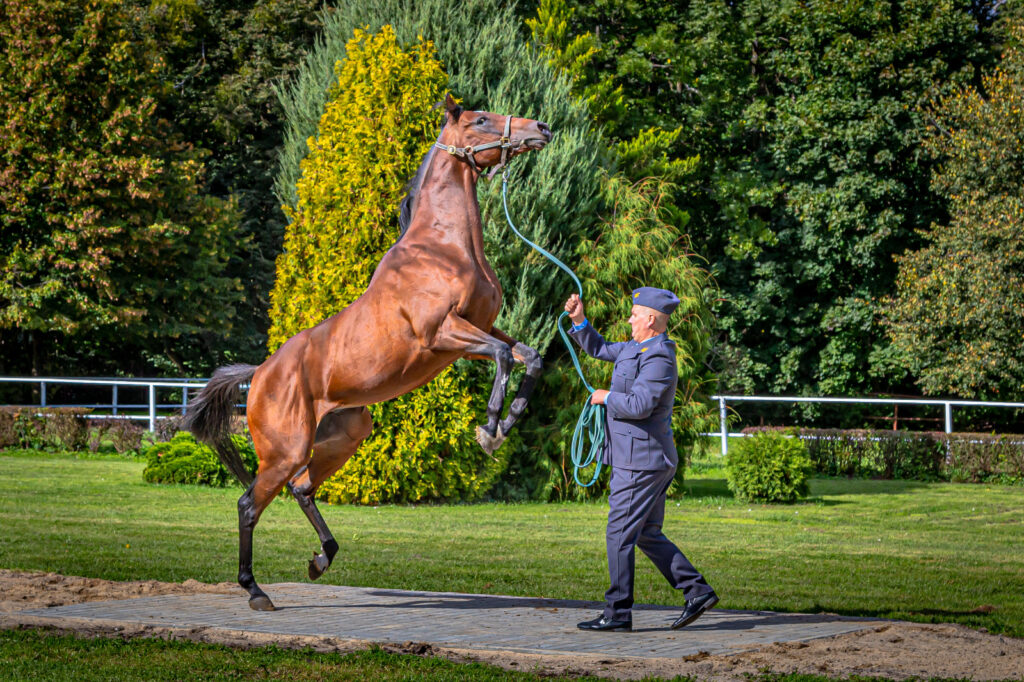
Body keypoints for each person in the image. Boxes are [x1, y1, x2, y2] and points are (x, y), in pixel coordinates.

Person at [565, 287, 718, 632]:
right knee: (646, 533)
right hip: (641, 459)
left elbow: (639, 405)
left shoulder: (659, 357)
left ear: (651, 319)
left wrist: (605, 397)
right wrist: (579, 321)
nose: (629, 318)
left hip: (641, 462)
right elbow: (600, 348)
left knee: (618, 534)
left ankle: (617, 613)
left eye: (634, 313)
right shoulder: (636, 348)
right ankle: (697, 591)